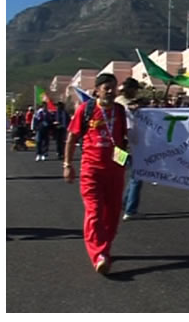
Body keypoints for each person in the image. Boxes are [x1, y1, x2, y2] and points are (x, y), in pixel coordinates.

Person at [63, 73, 128, 274]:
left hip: (115, 171)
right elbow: (72, 138)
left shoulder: (120, 111)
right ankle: (99, 254)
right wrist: (67, 164)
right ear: (97, 90)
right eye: (106, 88)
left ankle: (104, 247)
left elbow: (125, 138)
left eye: (113, 88)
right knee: (94, 212)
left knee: (112, 214)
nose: (110, 91)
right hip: (91, 171)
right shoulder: (86, 109)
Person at [117, 78, 144, 221]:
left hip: (119, 148)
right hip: (127, 147)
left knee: (133, 175)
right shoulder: (123, 104)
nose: (136, 92)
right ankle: (130, 209)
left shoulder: (118, 102)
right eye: (135, 89)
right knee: (137, 176)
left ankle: (125, 203)